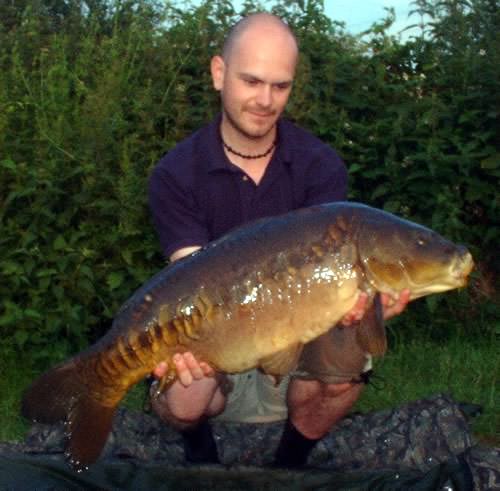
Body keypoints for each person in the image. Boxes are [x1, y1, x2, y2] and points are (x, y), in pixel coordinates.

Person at [148, 12, 410, 468]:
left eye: (280, 86)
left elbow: (337, 272)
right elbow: (194, 278)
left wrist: (365, 302)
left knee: (351, 345)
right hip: (225, 330)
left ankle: (289, 464)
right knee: (184, 397)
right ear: (218, 73)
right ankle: (200, 451)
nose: (265, 100)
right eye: (251, 81)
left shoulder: (320, 165)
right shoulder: (176, 172)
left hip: (296, 332)